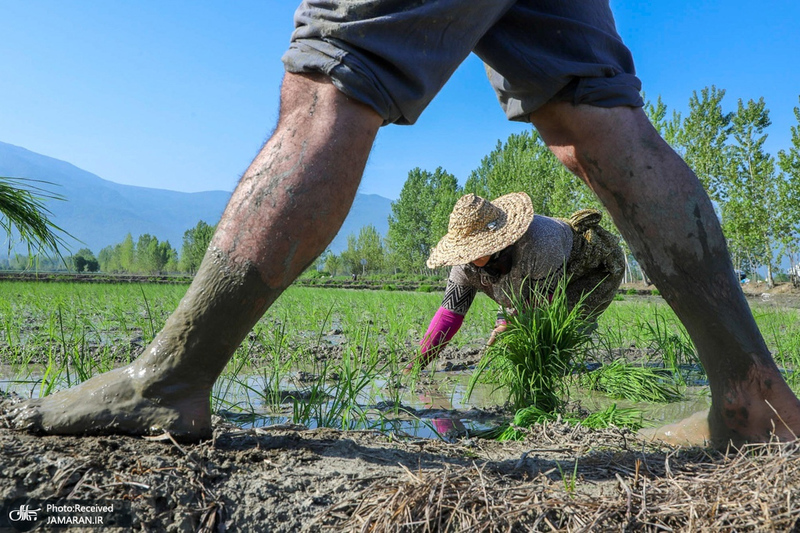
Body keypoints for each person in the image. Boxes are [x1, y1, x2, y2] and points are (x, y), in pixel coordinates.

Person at [5, 1, 800, 448]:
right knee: (594, 119)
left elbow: (539, 296)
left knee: (327, 83)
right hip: (553, 270)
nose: (472, 267)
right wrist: (426, 361)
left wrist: (520, 338)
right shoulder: (466, 269)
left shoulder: (534, 249)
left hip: (588, 268)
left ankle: (171, 376)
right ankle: (751, 393)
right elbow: (449, 313)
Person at [406, 192, 624, 372]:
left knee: (555, 339)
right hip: (537, 276)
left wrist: (507, 325)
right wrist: (417, 364)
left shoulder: (541, 243)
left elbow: (542, 301)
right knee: (515, 347)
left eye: (475, 251)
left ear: (497, 243)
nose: (469, 258)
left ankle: (557, 380)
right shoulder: (465, 263)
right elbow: (449, 315)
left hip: (590, 268)